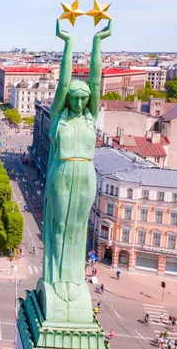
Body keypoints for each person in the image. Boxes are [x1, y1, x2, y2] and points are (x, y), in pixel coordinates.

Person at [42, 20, 111, 307]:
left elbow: (96, 81)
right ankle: (56, 277)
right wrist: (68, 43)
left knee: (79, 226)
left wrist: (98, 42)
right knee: (60, 224)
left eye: (85, 99)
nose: (81, 102)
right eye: (76, 98)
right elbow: (63, 82)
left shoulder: (89, 117)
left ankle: (74, 277)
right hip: (62, 172)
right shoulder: (59, 116)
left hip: (85, 173)